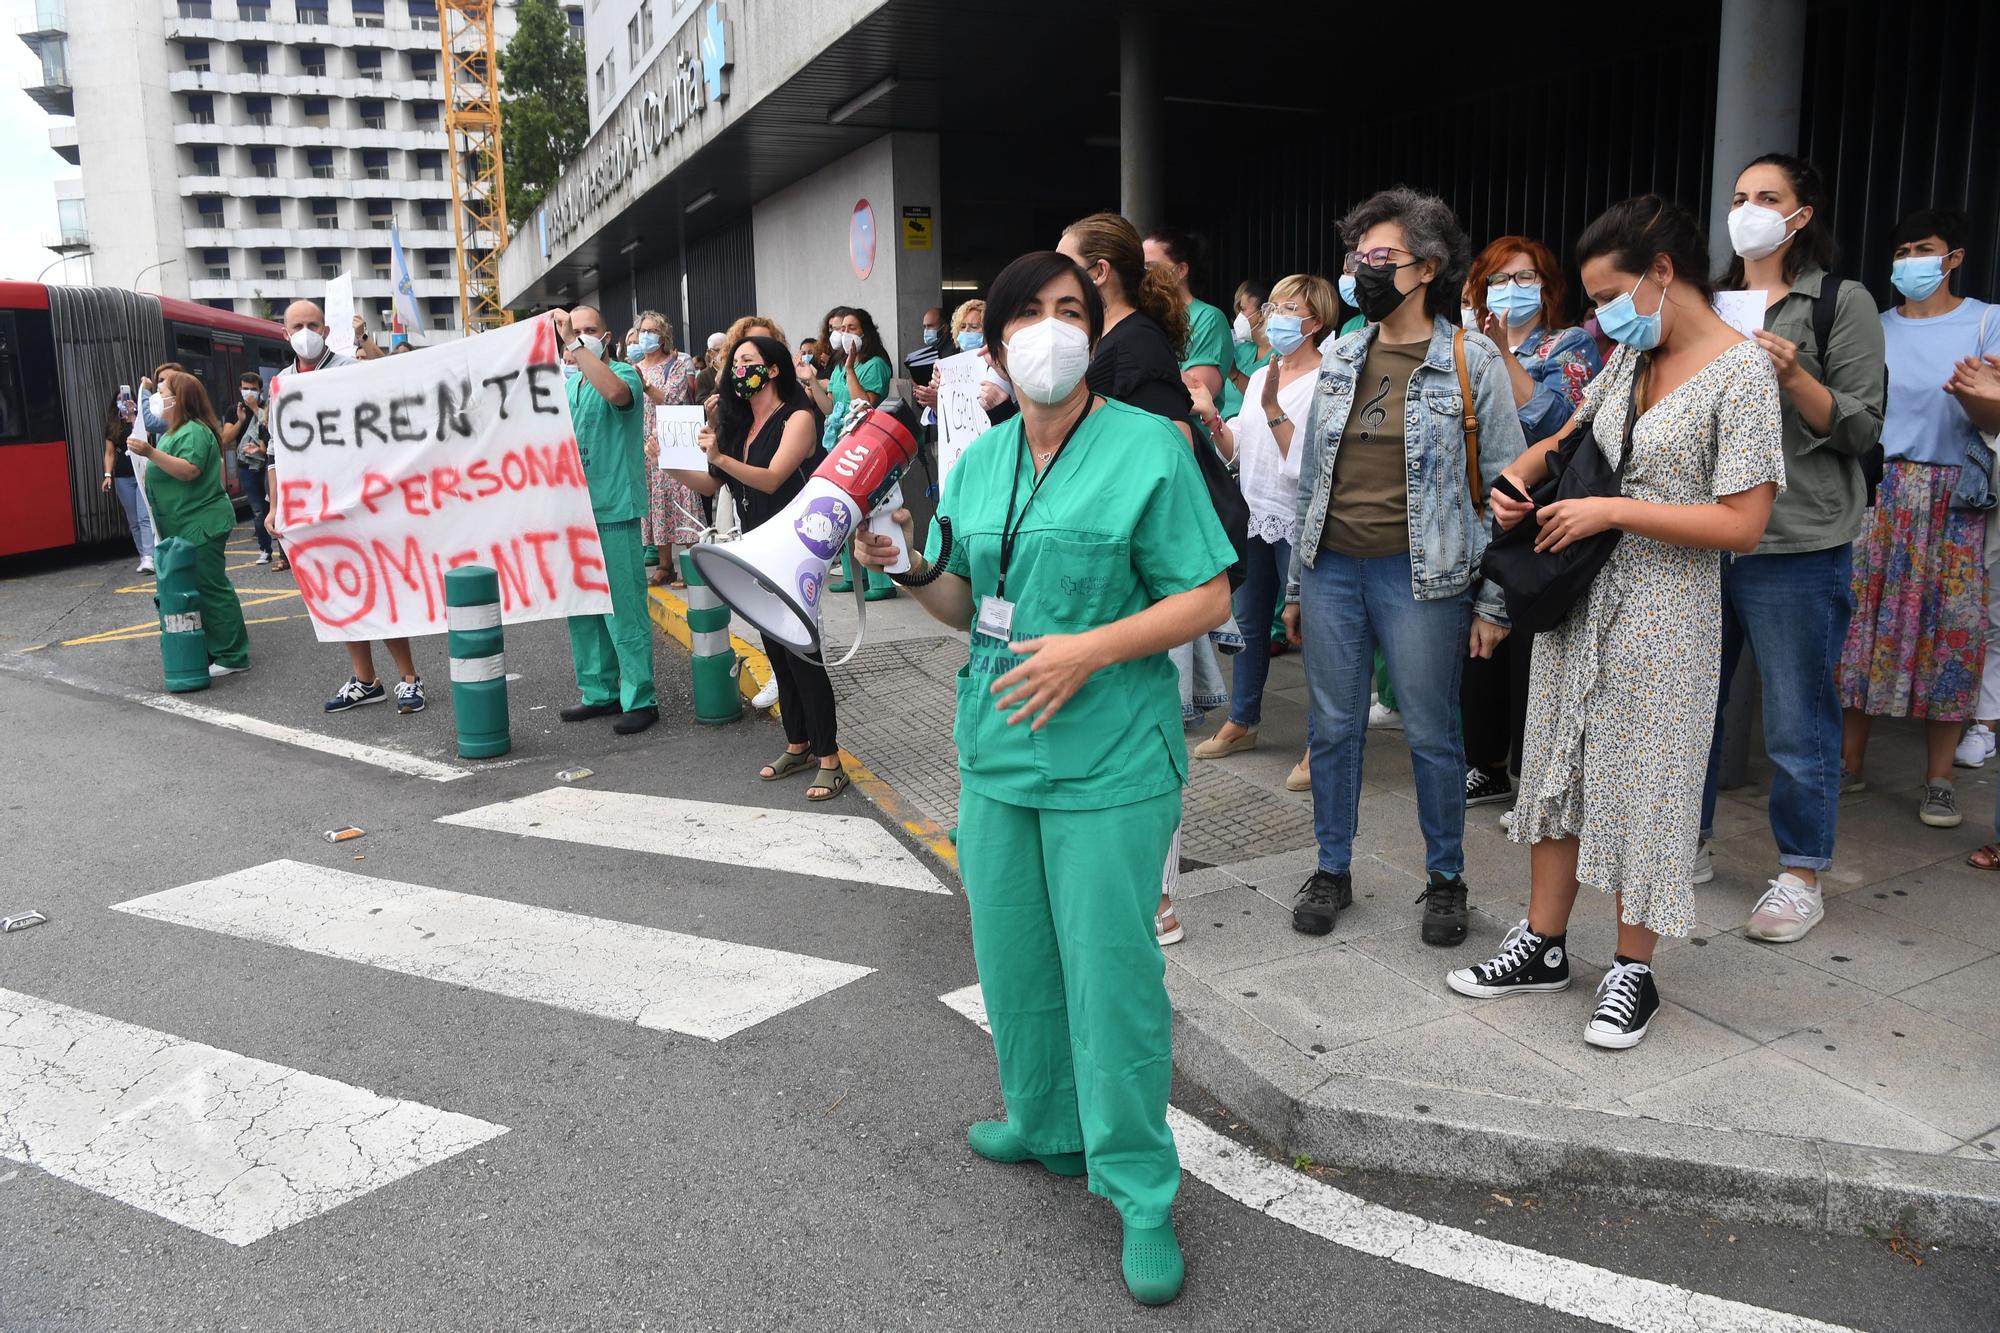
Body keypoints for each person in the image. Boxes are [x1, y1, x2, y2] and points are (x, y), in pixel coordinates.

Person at [852, 250, 1234, 1306]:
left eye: (1072, 309)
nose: (1053, 330)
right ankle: (1042, 1118)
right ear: (996, 344)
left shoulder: (1148, 447)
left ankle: (1140, 1188)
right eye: (1032, 314)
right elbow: (964, 596)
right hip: (996, 748)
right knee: (1012, 956)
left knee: (1110, 975)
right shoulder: (977, 464)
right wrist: (908, 566)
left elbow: (1204, 597)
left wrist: (1088, 649)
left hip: (1108, 755)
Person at [1446, 195, 1784, 1050]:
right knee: (1555, 762)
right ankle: (1544, 943)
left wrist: (1613, 511)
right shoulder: (1634, 360)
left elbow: (1743, 523)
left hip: (1666, 611)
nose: (1599, 315)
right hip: (1579, 592)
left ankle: (1634, 969)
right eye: (1592, 299)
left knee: (1648, 783)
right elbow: (1571, 430)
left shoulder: (1741, 373)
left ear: (1662, 274)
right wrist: (1521, 475)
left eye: (1608, 295)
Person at [1280, 188, 1527, 948]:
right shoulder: (1342, 352)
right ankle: (1332, 867)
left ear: (1428, 266)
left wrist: (1493, 604)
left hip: (1423, 578)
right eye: (1358, 257)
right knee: (1332, 727)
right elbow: (1313, 475)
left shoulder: (1470, 358)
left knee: (1430, 730)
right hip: (1332, 570)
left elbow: (1508, 487)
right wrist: (1295, 581)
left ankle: (1446, 877)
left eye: (1380, 257)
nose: (1363, 271)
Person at [1692, 156, 1887, 942]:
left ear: (1802, 215)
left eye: (1768, 199)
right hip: (1704, 533)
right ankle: (1686, 841)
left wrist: (1794, 374)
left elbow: (1861, 425)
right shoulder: (1710, 303)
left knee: (1797, 713)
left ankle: (1801, 870)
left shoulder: (1842, 300)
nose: (1749, 212)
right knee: (1692, 703)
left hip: (1797, 537)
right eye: (1740, 198)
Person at [1057, 211, 1207, 944]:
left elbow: (1167, 447)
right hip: (1118, 569)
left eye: (1065, 271)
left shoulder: (1135, 347)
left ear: (1099, 273)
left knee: (1147, 734)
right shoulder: (1114, 343)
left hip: (1145, 571)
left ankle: (1158, 897)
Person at [1839, 208, 1995, 828]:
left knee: (1952, 633)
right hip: (1877, 489)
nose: (1910, 262)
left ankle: (1939, 780)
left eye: (1923, 249)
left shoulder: (1987, 322)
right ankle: (1847, 765)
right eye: (1901, 251)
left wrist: (1979, 397)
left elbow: (1998, 415)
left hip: (1955, 496)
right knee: (1858, 628)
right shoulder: (1872, 327)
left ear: (1954, 257)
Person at [1461, 236, 1606, 810]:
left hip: (1535, 511)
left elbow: (1560, 419)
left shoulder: (1568, 343)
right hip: (1473, 510)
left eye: (1525, 279)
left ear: (1547, 288)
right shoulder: (1463, 345)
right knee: (1475, 653)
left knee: (1529, 646)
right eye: (1499, 279)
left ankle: (1531, 776)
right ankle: (1485, 764)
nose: (1511, 290)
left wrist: (1500, 357)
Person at [671, 336, 850, 799]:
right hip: (756, 548)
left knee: (803, 656)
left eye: (748, 361)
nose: (737, 369)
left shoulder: (799, 417)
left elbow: (772, 477)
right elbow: (714, 484)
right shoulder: (736, 424)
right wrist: (670, 465)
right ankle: (799, 743)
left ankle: (831, 759)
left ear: (773, 369)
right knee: (776, 651)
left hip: (794, 551)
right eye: (734, 362)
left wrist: (721, 458)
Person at [1186, 274, 1338, 762]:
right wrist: (1212, 417)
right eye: (1272, 308)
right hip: (1254, 514)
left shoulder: (1328, 379)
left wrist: (1273, 405)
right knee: (1250, 625)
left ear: (1316, 321)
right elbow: (1240, 450)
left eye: (1290, 309)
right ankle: (1242, 719)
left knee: (1311, 632)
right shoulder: (1259, 373)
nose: (1275, 319)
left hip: (1300, 520)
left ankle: (1323, 743)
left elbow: (1306, 458)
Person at [276, 300, 426, 713]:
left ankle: (409, 677)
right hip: (316, 506)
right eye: (297, 325)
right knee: (339, 590)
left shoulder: (348, 369)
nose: (305, 331)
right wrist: (276, 505)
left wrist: (364, 340)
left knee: (380, 585)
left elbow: (393, 385)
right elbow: (278, 453)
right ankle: (365, 679)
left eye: (312, 324)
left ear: (326, 331)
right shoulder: (282, 383)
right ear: (284, 333)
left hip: (362, 500)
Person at [556, 304, 658, 735]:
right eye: (574, 331)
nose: (580, 336)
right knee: (583, 609)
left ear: (607, 335)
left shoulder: (625, 373)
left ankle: (641, 697)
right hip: (573, 513)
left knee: (623, 608)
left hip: (613, 508)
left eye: (589, 330)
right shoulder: (568, 384)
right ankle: (599, 693)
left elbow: (617, 395)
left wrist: (577, 349)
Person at [124, 370, 251, 678]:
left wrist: (150, 453)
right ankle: (214, 647)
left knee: (211, 589)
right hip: (185, 524)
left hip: (200, 523)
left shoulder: (192, 431)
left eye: (163, 391)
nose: (157, 398)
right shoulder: (174, 430)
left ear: (178, 399)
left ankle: (233, 655)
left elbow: (189, 471)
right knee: (200, 588)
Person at [803, 306, 895, 600]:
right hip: (839, 444)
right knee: (844, 510)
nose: (843, 334)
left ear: (866, 332)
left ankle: (881, 582)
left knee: (873, 510)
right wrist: (813, 381)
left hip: (867, 446)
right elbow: (830, 407)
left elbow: (864, 404)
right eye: (841, 329)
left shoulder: (875, 364)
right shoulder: (841, 365)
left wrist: (853, 368)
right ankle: (854, 575)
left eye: (851, 328)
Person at [630, 310, 702, 589]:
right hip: (644, 443)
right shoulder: (631, 366)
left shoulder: (677, 364)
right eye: (642, 331)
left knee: (682, 499)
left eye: (651, 331)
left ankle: (691, 564)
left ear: (663, 337)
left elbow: (672, 399)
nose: (645, 336)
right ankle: (664, 565)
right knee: (656, 502)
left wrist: (645, 384)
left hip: (673, 441)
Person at [1142, 228, 1231, 414]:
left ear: (1181, 270)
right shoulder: (1142, 315)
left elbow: (1195, 396)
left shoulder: (1208, 318)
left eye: (1150, 267)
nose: (1143, 275)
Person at [219, 370, 275, 565]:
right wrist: (241, 420)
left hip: (268, 463)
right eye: (245, 388)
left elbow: (271, 428)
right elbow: (225, 439)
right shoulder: (234, 411)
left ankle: (285, 552)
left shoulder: (268, 407)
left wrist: (255, 408)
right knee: (258, 510)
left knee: (275, 507)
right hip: (246, 467)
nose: (249, 392)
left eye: (253, 389)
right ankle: (265, 549)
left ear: (260, 390)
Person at [100, 387, 155, 573]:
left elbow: (144, 438)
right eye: (119, 399)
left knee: (144, 515)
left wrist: (134, 417)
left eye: (126, 399)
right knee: (133, 520)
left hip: (142, 473)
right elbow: (109, 454)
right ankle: (143, 556)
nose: (122, 402)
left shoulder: (140, 420)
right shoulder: (112, 425)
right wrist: (107, 475)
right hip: (123, 477)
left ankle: (149, 556)